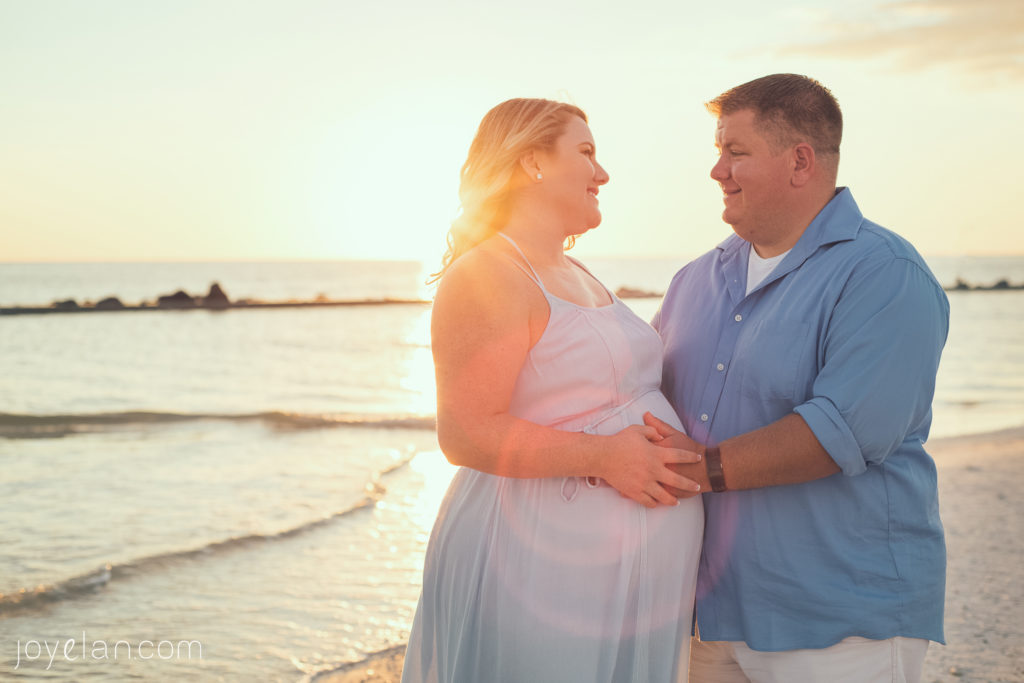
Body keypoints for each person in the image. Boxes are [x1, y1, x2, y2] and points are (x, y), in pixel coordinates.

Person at [646, 74, 949, 682]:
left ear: (800, 161)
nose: (717, 171)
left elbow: (843, 431)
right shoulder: (694, 280)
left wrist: (694, 470)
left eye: (735, 152)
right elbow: (644, 395)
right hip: (703, 615)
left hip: (839, 619)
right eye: (717, 151)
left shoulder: (883, 273)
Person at [401, 98, 704, 683]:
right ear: (532, 163)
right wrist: (607, 457)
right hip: (538, 564)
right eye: (586, 153)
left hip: (612, 578)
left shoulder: (576, 271)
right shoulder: (489, 272)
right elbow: (464, 432)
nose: (603, 173)